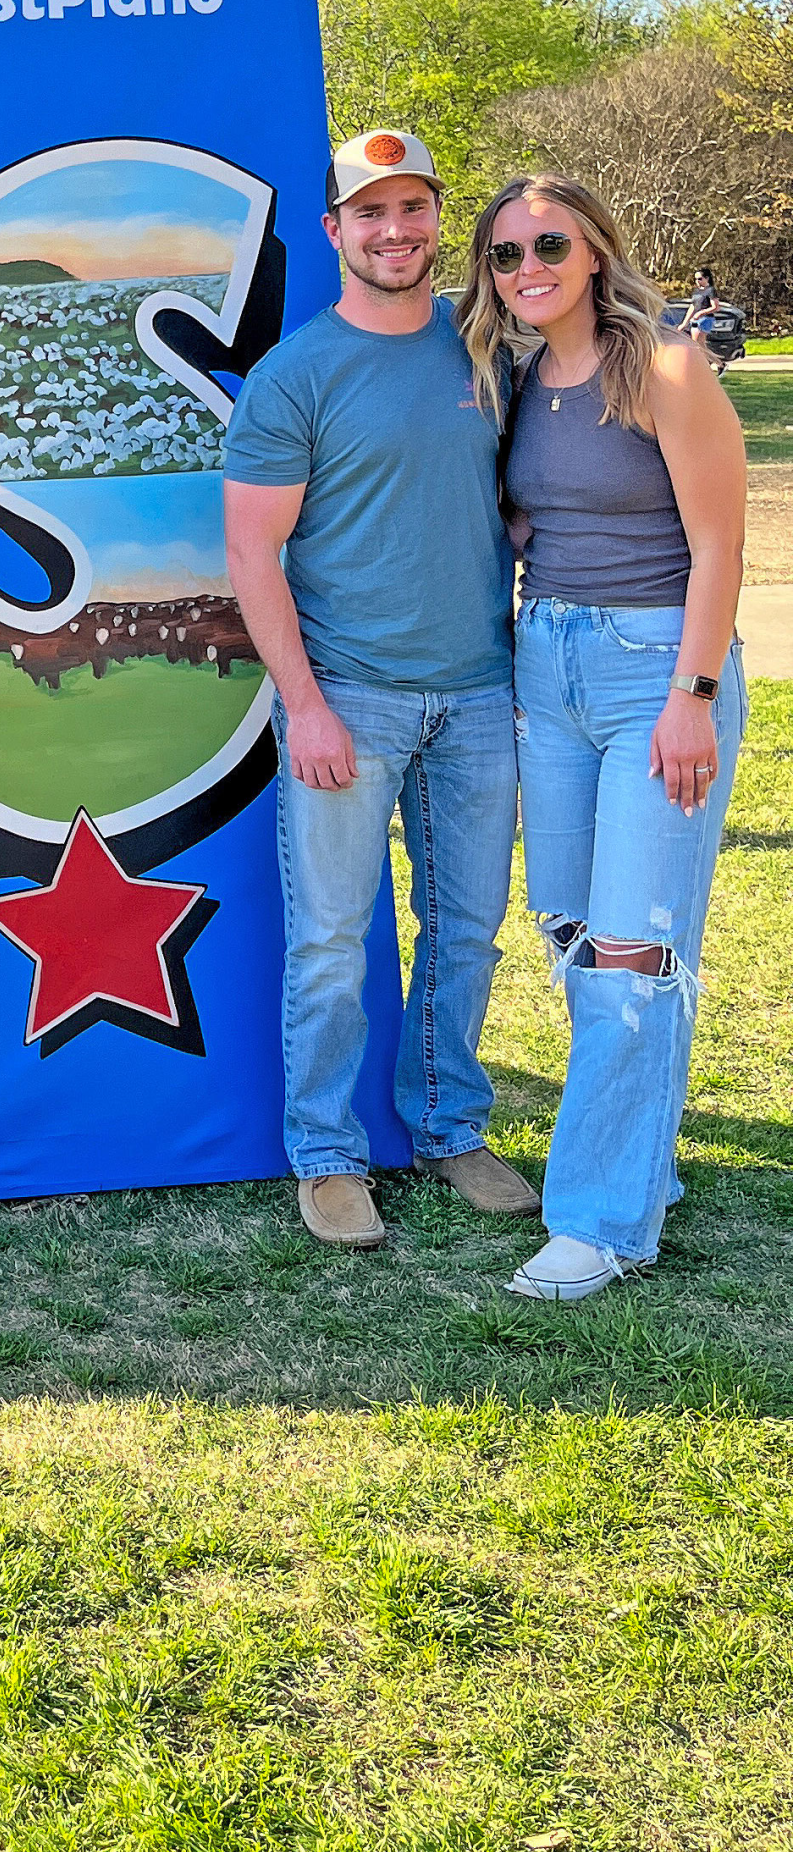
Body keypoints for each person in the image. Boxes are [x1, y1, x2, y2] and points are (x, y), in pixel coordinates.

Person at [223, 128, 537, 1250]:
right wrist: (303, 705)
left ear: (435, 220)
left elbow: (512, 490)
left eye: (412, 209)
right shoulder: (295, 372)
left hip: (478, 696)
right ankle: (326, 1155)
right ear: (334, 231)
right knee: (327, 939)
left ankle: (451, 1127)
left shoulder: (488, 352)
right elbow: (252, 554)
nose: (394, 231)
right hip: (347, 698)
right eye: (369, 212)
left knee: (468, 929)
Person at [461, 177, 748, 1300]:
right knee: (573, 928)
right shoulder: (518, 379)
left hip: (653, 674)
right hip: (550, 663)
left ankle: (596, 1221)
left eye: (547, 244)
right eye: (502, 252)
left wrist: (693, 691)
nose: (526, 265)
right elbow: (534, 510)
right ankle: (637, 1161)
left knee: (639, 945)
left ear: (593, 251)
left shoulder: (666, 366)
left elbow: (718, 546)